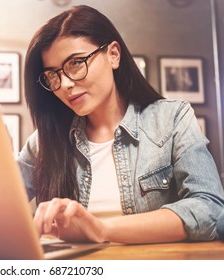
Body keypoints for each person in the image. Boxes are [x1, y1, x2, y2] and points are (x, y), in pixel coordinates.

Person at [17, 5, 224, 244]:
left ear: (113, 55)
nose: (64, 84)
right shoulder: (45, 140)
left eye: (75, 63)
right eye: (53, 75)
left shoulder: (171, 119)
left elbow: (210, 210)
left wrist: (100, 229)